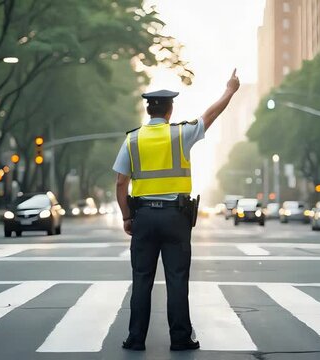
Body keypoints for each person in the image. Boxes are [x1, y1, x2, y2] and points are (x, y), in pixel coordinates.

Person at [113, 69, 240, 351]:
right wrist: (230, 90)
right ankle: (180, 338)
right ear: (170, 110)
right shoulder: (181, 134)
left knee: (142, 279)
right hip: (175, 217)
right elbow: (210, 115)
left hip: (143, 217)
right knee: (177, 279)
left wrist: (127, 216)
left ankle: (135, 339)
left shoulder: (132, 140)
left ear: (148, 110)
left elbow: (121, 183)